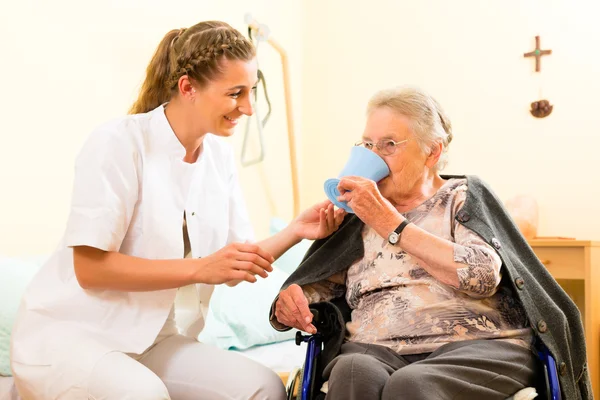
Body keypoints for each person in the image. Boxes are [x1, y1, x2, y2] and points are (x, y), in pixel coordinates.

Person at [10, 20, 345, 400]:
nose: (249, 108)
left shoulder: (218, 156)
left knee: (263, 387)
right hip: (72, 336)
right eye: (236, 93)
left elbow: (233, 267)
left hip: (155, 338)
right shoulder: (118, 143)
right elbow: (89, 269)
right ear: (188, 88)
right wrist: (200, 268)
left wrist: (297, 230)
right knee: (144, 393)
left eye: (251, 92)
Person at [271, 86, 591, 400]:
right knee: (353, 372)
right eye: (368, 144)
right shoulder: (357, 215)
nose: (373, 156)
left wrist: (390, 222)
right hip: (375, 348)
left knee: (412, 384)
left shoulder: (461, 197)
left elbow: (480, 275)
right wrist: (294, 301)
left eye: (389, 144)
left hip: (480, 349)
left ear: (432, 151)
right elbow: (320, 287)